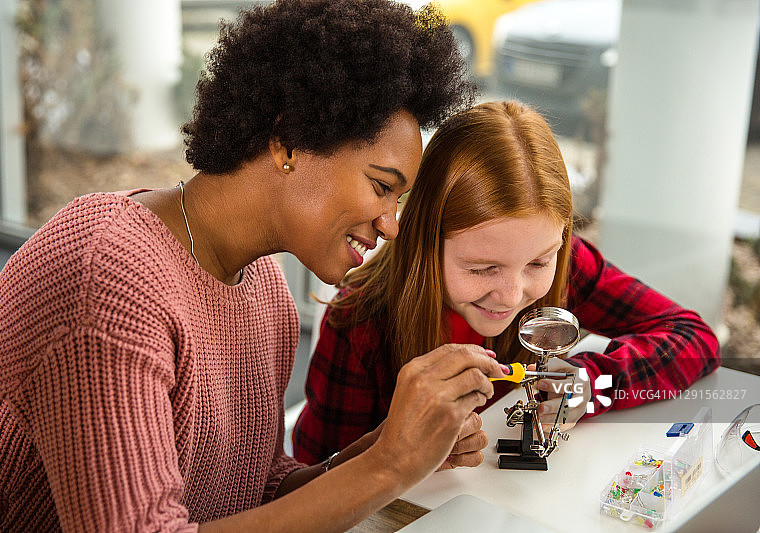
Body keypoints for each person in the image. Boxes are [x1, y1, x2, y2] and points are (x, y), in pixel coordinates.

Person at [0, 2, 509, 531]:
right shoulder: (105, 274)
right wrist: (387, 467)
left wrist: (385, 449)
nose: (390, 224)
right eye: (381, 186)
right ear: (289, 140)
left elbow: (256, 491)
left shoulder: (264, 288)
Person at [292, 100, 722, 466]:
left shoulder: (569, 268)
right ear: (423, 240)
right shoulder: (359, 325)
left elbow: (694, 336)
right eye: (482, 269)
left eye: (538, 262)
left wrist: (585, 387)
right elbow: (313, 482)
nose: (513, 296)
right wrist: (396, 456)